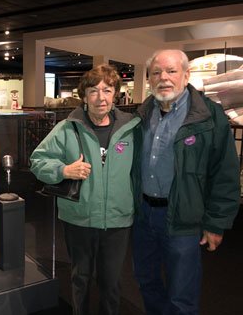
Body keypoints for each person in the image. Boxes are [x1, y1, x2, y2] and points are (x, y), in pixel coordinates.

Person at [132, 49, 240, 315]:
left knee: (182, 293)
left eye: (171, 71)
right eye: (156, 72)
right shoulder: (142, 114)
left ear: (186, 75)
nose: (163, 78)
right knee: (147, 281)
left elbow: (224, 173)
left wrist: (216, 223)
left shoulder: (208, 115)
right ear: (149, 79)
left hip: (183, 217)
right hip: (143, 216)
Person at [30, 64, 141, 315]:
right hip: (79, 216)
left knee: (111, 282)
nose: (100, 97)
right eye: (93, 91)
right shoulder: (67, 128)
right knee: (80, 278)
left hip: (117, 218)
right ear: (84, 96)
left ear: (115, 94)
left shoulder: (132, 129)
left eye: (107, 90)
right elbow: (37, 161)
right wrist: (63, 170)